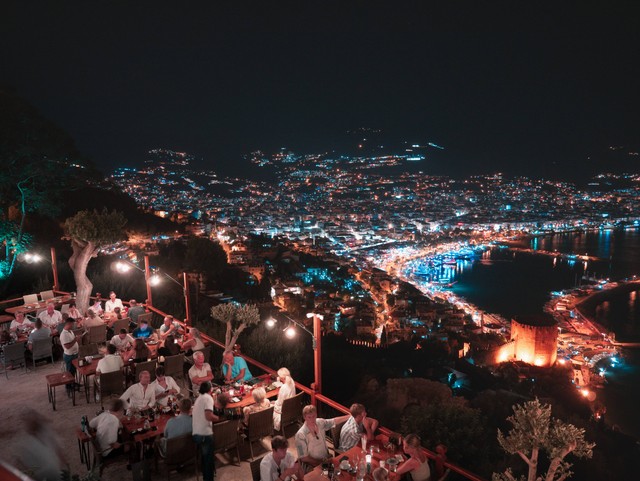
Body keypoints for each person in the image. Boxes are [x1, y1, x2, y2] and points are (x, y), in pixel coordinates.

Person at [15, 409, 67, 481]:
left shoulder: (46, 431)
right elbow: (29, 471)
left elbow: (58, 449)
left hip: (55, 472)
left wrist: (65, 465)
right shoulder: (27, 446)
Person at [192, 381, 222, 481]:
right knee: (208, 461)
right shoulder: (208, 398)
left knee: (205, 460)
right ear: (210, 389)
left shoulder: (199, 398)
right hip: (204, 434)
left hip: (196, 433)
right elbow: (208, 416)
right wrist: (219, 418)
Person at [59, 319, 79, 390]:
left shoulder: (70, 331)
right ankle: (69, 386)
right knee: (69, 371)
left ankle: (73, 382)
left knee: (73, 370)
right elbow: (67, 346)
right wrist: (75, 340)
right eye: (73, 324)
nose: (74, 325)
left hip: (74, 354)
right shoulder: (64, 334)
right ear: (69, 324)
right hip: (69, 355)